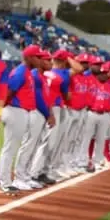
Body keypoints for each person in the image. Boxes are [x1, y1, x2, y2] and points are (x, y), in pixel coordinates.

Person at [0, 45, 51, 194]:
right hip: (15, 111)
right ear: (29, 57)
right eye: (37, 57)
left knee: (9, 148)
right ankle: (4, 182)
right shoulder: (21, 72)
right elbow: (8, 93)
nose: (40, 60)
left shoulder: (26, 72)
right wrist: (0, 111)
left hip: (19, 111)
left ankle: (1, 178)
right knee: (10, 149)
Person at [30, 49, 75, 184]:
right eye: (47, 60)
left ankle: (40, 171)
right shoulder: (59, 76)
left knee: (45, 142)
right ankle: (35, 172)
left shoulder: (43, 75)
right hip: (48, 108)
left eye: (51, 60)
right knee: (46, 142)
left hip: (46, 108)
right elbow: (66, 95)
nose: (50, 62)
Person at [85, 59, 110, 171]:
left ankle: (98, 161)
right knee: (87, 137)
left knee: (101, 139)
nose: (105, 76)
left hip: (105, 114)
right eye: (102, 74)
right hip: (91, 113)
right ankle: (85, 160)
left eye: (106, 73)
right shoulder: (91, 83)